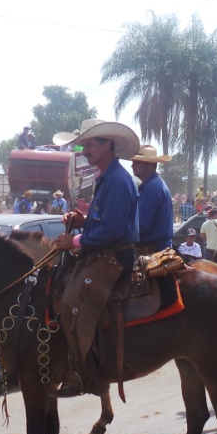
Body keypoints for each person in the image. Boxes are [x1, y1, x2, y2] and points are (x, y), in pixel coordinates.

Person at [51, 119, 141, 397]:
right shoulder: (106, 176)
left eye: (90, 144)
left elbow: (113, 230)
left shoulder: (116, 180)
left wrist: (74, 241)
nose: (86, 150)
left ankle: (82, 371)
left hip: (115, 255)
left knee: (72, 300)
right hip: (106, 250)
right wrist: (83, 220)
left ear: (107, 145)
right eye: (84, 145)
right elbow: (106, 221)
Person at [130, 145, 174, 254]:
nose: (132, 165)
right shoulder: (153, 185)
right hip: (158, 247)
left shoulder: (151, 188)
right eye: (133, 162)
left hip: (152, 250)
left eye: (137, 162)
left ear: (150, 164)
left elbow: (141, 225)